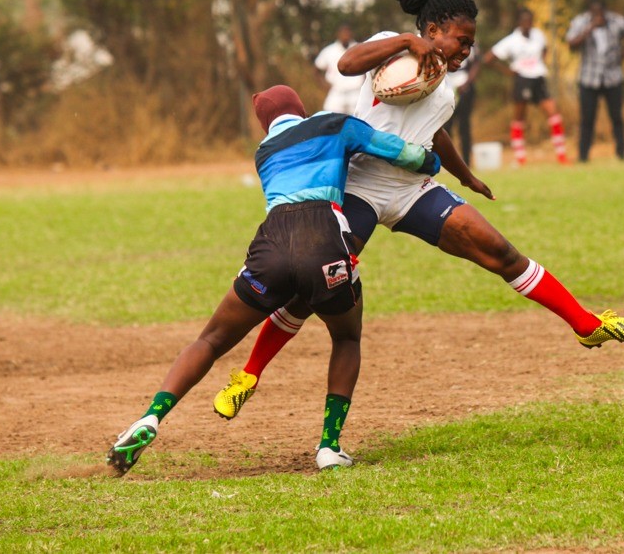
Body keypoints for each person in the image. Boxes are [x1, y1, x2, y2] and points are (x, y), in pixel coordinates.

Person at [212, 0, 624, 425]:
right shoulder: (389, 46)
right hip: (359, 186)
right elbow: (346, 65)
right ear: (433, 30)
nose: (466, 50)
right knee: (310, 288)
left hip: (411, 190)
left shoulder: (445, 89)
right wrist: (404, 40)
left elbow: (433, 133)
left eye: (471, 43)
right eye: (461, 40)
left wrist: (467, 177)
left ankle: (586, 324)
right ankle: (248, 376)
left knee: (500, 252)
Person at [106, 85, 441, 475]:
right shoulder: (333, 124)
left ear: (265, 123)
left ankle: (151, 417)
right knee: (346, 338)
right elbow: (398, 151)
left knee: (210, 340)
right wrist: (431, 161)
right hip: (323, 239)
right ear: (300, 108)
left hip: (272, 246)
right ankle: (329, 446)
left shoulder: (264, 152)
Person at [484, 8, 568, 165]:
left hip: (539, 78)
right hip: (522, 79)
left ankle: (561, 155)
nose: (527, 24)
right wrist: (508, 71)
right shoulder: (511, 40)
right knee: (519, 117)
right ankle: (520, 157)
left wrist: (540, 63)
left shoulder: (538, 35)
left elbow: (545, 49)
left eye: (530, 21)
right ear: (519, 22)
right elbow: (488, 58)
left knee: (553, 113)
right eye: (524, 21)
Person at [565, 0, 624, 162]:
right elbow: (571, 43)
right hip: (589, 78)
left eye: (600, 12)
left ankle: (621, 154)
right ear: (590, 12)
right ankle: (583, 156)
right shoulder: (581, 22)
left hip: (613, 77)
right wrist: (589, 29)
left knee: (616, 117)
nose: (598, 16)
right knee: (587, 119)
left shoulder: (616, 21)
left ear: (605, 12)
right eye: (594, 13)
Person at [441, 48, 481, 166]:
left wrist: (467, 83)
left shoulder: (470, 46)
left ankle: (466, 161)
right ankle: (447, 162)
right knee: (446, 126)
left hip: (464, 88)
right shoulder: (443, 43)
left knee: (464, 126)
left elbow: (476, 63)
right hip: (446, 88)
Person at [315, 25, 364, 115]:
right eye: (343, 33)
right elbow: (317, 68)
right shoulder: (329, 51)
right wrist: (324, 84)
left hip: (356, 92)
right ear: (338, 34)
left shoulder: (359, 48)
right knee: (329, 115)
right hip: (337, 91)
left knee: (358, 118)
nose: (345, 36)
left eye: (347, 33)